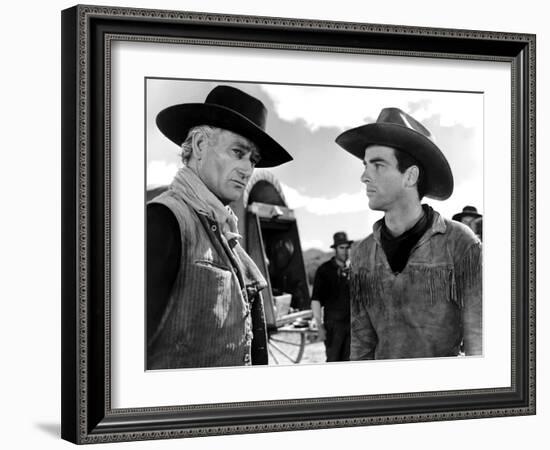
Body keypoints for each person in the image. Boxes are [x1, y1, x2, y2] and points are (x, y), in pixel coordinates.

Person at [147, 85, 292, 369]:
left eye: (253, 159)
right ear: (200, 145)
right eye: (238, 152)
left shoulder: (227, 236)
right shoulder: (164, 220)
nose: (248, 169)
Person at [335, 107, 482, 360]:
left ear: (410, 176)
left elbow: (478, 343)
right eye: (365, 165)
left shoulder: (460, 243)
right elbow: (361, 343)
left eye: (378, 165)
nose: (364, 176)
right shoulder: (361, 253)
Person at [311, 232, 353, 362]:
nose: (345, 251)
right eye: (341, 248)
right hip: (333, 325)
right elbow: (316, 300)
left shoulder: (354, 269)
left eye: (347, 248)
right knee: (333, 361)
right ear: (335, 249)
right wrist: (319, 326)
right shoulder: (324, 270)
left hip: (352, 324)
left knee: (350, 361)